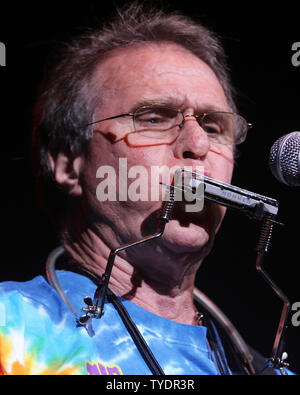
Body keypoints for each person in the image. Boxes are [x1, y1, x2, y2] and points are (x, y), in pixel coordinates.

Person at [0, 3, 292, 375]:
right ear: (68, 161)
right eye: (154, 118)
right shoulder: (11, 329)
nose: (198, 144)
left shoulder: (263, 369)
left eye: (215, 126)